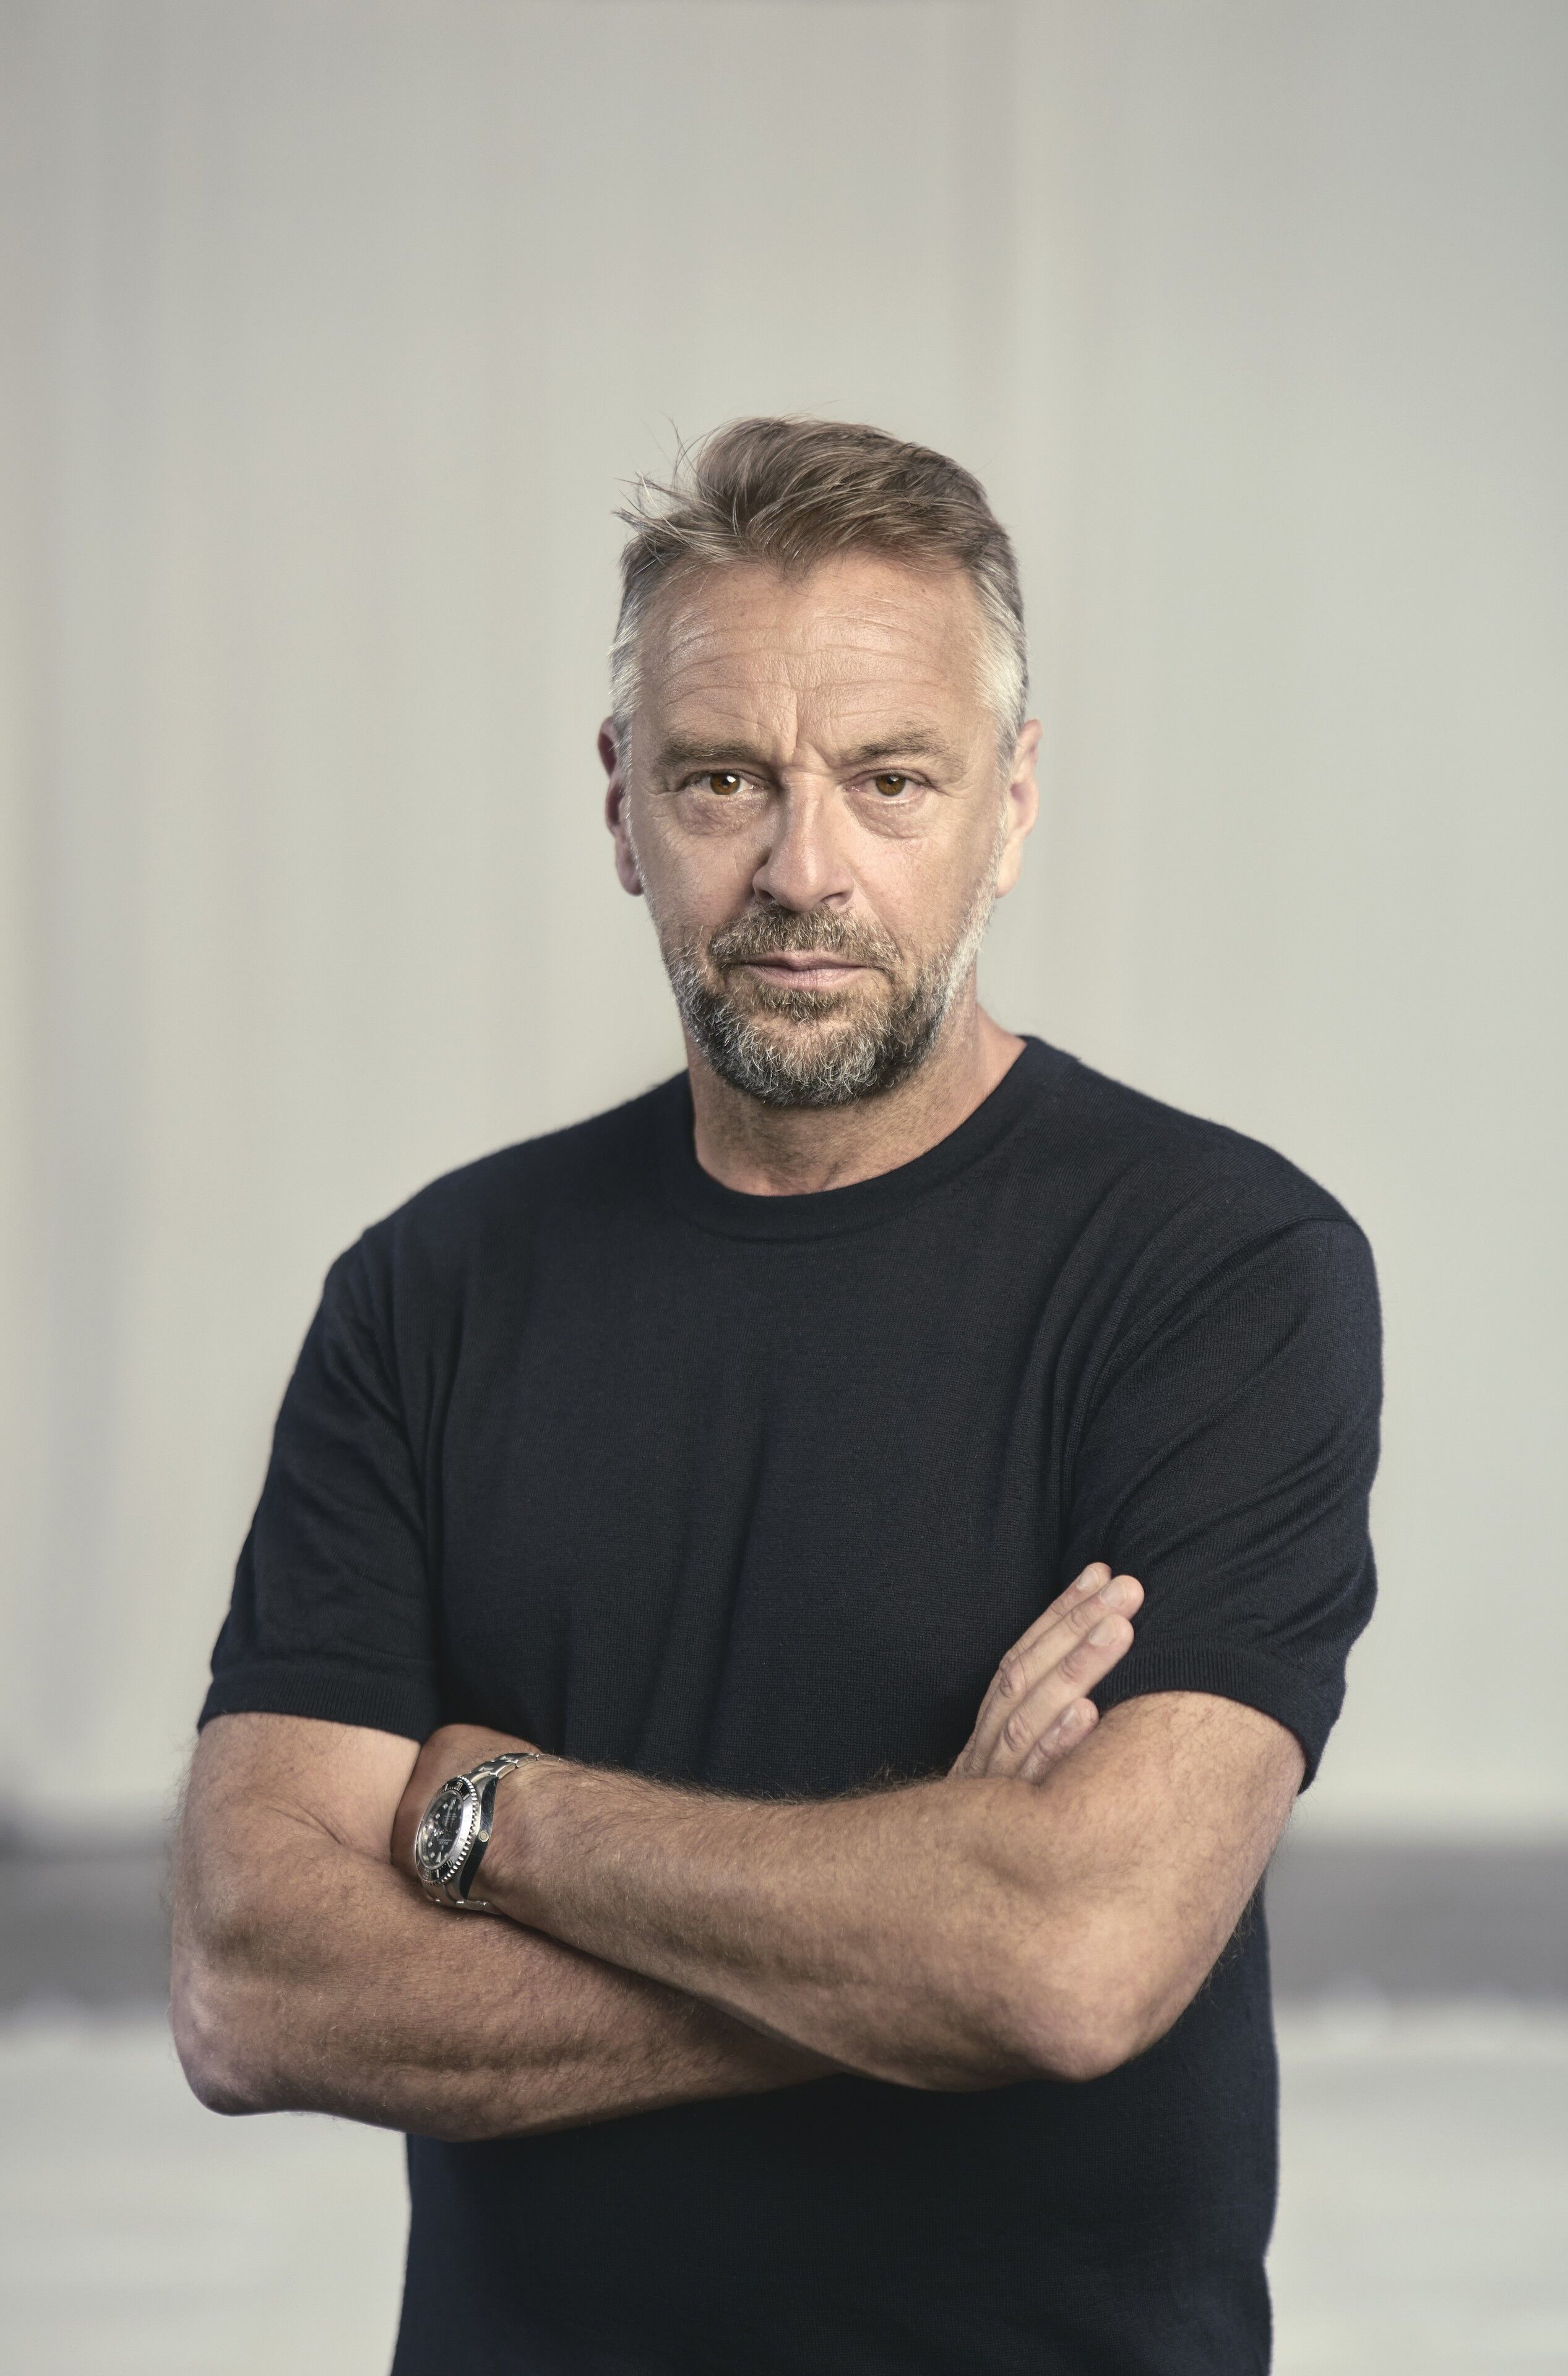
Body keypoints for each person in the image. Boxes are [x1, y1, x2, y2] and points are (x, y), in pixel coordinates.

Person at [172, 417, 1380, 2375]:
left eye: (891, 780)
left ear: (1010, 803)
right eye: (725, 778)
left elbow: (1071, 1960)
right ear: (623, 805)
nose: (803, 871)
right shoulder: (431, 1292)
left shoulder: (1221, 1272)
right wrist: (918, 1932)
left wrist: (501, 1816)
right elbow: (253, 1986)